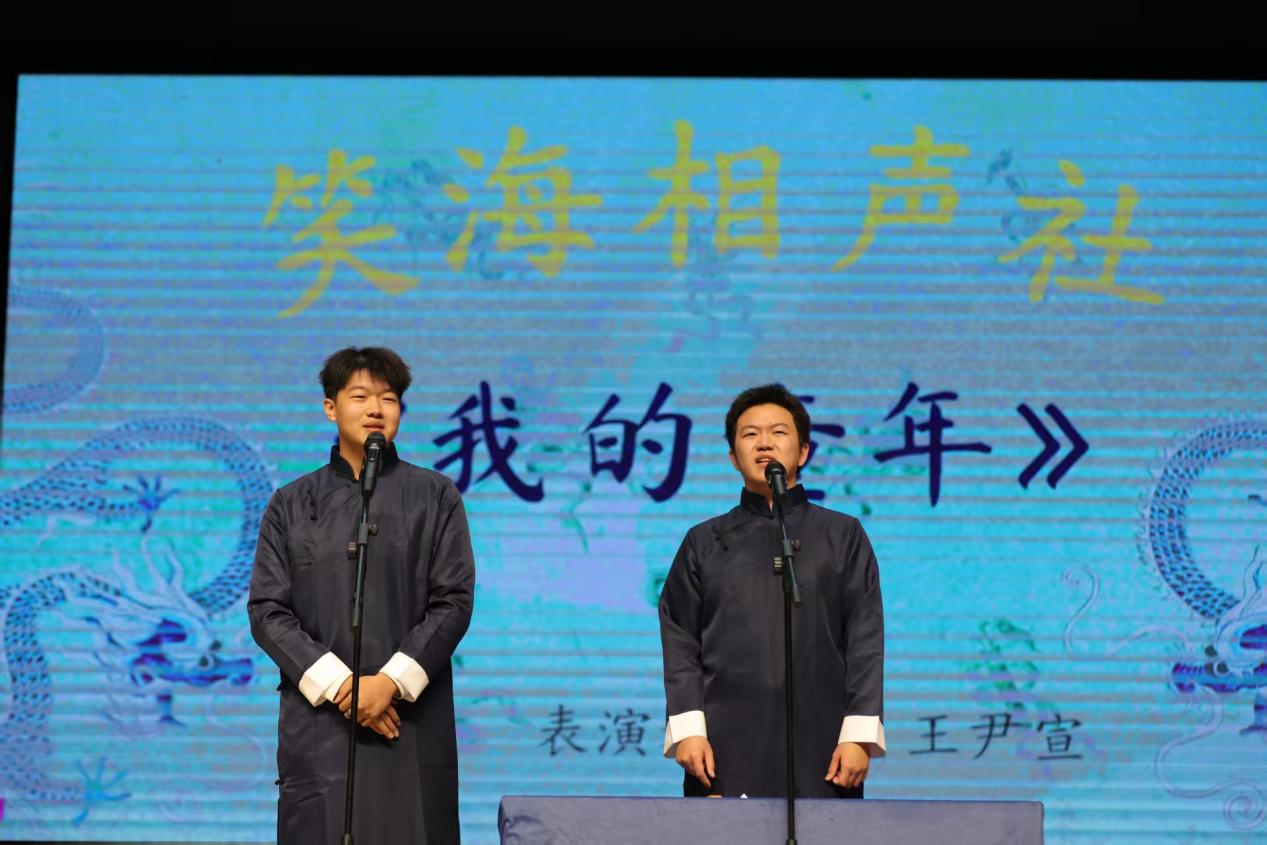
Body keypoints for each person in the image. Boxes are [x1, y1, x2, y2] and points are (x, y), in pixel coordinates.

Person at [248, 347, 475, 845]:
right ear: (330, 408)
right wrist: (344, 688)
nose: (376, 409)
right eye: (360, 396)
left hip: (408, 725)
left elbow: (453, 600)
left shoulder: (435, 495)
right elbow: (267, 610)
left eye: (389, 398)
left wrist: (388, 683)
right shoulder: (290, 503)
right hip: (321, 726)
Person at [658, 383, 884, 798]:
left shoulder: (842, 535)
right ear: (733, 457)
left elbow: (864, 637)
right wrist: (688, 730)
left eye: (778, 432)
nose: (764, 443)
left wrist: (859, 735)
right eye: (750, 434)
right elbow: (680, 638)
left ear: (803, 451)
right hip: (722, 748)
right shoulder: (703, 542)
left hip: (826, 746)